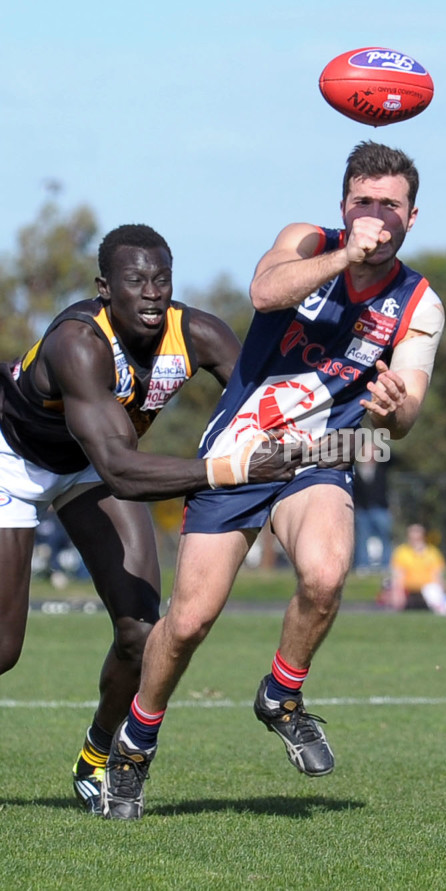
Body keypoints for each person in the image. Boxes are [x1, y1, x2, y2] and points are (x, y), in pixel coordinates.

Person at [101, 140, 445, 820]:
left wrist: (392, 405)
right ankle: (136, 742)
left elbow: (406, 415)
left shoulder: (420, 303)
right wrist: (347, 252)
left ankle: (281, 694)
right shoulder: (307, 240)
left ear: (414, 215)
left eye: (390, 205)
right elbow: (264, 291)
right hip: (239, 451)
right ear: (343, 206)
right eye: (363, 202)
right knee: (191, 620)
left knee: (325, 572)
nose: (376, 214)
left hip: (319, 455)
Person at [0, 223, 332, 816]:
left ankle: (97, 759)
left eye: (162, 280)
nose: (152, 293)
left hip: (89, 466)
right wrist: (229, 469)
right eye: (135, 281)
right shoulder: (79, 342)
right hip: (14, 460)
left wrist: (338, 425)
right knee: (3, 649)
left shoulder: (198, 332)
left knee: (139, 632)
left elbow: (271, 405)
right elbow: (126, 474)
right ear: (105, 288)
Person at [381, 522, 446, 614]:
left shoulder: (433, 553)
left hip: (427, 588)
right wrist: (398, 592)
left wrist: (443, 590)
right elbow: (398, 575)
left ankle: (441, 609)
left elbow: (437, 576)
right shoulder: (401, 552)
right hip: (407, 589)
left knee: (433, 590)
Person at [353, 438, 393, 573]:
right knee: (362, 538)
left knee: (385, 537)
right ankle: (363, 565)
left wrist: (379, 446)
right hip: (363, 510)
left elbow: (394, 457)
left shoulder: (382, 467)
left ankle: (386, 565)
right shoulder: (357, 469)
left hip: (381, 508)